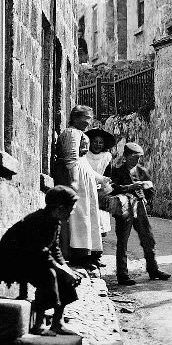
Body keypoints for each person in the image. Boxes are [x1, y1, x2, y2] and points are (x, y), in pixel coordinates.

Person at [0, 186, 84, 337]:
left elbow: (55, 249)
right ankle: (38, 324)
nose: (72, 212)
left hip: (30, 258)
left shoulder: (55, 222)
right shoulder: (37, 221)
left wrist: (67, 269)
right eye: (71, 209)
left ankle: (57, 322)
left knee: (64, 275)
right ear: (60, 208)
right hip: (9, 261)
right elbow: (40, 251)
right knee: (49, 274)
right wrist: (61, 270)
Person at [53, 105, 112, 273]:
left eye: (89, 119)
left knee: (89, 216)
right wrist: (74, 183)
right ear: (75, 118)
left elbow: (83, 163)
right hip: (77, 179)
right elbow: (71, 160)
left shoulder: (81, 134)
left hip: (85, 179)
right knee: (80, 217)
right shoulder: (71, 133)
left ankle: (90, 253)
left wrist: (100, 178)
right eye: (84, 118)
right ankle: (79, 255)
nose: (87, 122)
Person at [109, 141, 170, 286]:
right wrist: (130, 187)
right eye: (134, 157)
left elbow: (151, 190)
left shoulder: (142, 171)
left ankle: (153, 269)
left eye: (138, 157)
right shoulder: (117, 171)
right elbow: (112, 189)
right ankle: (122, 275)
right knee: (122, 242)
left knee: (148, 238)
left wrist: (146, 196)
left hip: (140, 206)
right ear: (126, 156)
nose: (137, 160)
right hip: (124, 208)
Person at [85, 125, 117, 239]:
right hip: (85, 186)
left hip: (100, 188)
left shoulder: (106, 157)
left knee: (100, 216)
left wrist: (104, 185)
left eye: (100, 143)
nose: (97, 145)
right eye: (95, 142)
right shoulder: (85, 155)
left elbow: (108, 175)